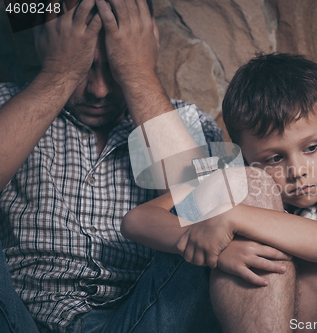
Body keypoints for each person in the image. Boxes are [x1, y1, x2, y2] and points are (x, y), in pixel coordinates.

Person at [0, 0, 254, 331]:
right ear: (46, 44)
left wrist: (137, 75)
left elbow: (207, 216)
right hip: (17, 320)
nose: (99, 90)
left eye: (114, 70)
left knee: (234, 213)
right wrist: (59, 74)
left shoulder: (186, 123)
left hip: (143, 318)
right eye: (85, 68)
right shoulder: (9, 105)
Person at [123, 53, 317, 332]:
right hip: (256, 315)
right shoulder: (229, 171)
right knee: (253, 198)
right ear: (243, 154)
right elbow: (138, 220)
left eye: (312, 148)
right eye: (274, 158)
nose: (298, 170)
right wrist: (220, 250)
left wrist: (231, 217)